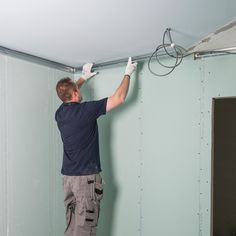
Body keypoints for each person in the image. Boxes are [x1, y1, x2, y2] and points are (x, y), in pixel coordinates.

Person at [55, 57, 137, 236]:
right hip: (86, 181)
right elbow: (119, 98)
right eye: (77, 89)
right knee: (85, 229)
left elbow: (67, 95)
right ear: (75, 93)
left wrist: (83, 78)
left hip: (68, 178)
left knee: (72, 227)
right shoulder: (86, 111)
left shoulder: (60, 114)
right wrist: (127, 73)